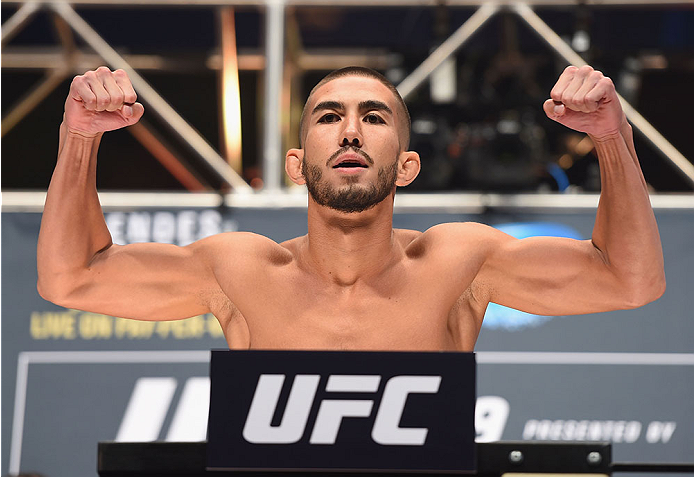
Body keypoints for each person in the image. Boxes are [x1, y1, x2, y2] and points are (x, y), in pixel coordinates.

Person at [37, 65, 665, 351]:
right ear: (295, 162)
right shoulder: (240, 271)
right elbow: (72, 276)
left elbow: (628, 280)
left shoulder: (461, 262)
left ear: (408, 165)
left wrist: (613, 136)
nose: (350, 133)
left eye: (374, 117)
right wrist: (80, 136)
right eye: (329, 117)